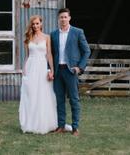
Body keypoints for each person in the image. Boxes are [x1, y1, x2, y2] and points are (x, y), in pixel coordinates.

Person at [50, 8, 91, 136]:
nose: (63, 19)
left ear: (69, 18)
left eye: (65, 17)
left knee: (74, 99)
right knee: (59, 100)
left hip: (71, 71)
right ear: (58, 19)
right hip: (58, 71)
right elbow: (50, 54)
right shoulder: (54, 34)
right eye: (61, 17)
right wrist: (49, 69)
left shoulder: (77, 32)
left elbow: (86, 51)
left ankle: (75, 127)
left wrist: (80, 67)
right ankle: (61, 126)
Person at [19, 15, 58, 134]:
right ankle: (30, 122)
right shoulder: (28, 38)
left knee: (43, 94)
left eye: (37, 23)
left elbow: (49, 55)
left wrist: (51, 70)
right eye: (33, 24)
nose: (35, 26)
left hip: (42, 67)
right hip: (31, 67)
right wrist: (24, 70)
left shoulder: (47, 37)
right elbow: (27, 56)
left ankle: (43, 123)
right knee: (31, 94)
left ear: (41, 24)